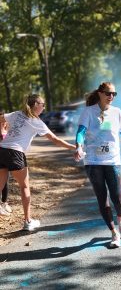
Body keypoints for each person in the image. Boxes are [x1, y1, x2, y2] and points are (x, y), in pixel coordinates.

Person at [74, 82, 121, 248]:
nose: (111, 96)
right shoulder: (88, 111)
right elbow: (80, 131)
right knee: (103, 198)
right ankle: (114, 233)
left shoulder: (117, 112)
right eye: (108, 93)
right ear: (100, 93)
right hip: (93, 162)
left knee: (117, 197)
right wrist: (79, 146)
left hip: (113, 160)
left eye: (114, 94)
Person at [0, 94, 77, 230]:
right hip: (15, 152)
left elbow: (1, 118)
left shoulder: (16, 114)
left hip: (2, 149)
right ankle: (27, 222)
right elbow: (55, 140)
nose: (44, 107)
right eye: (43, 104)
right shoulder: (36, 121)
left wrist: (3, 130)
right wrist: (73, 147)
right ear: (36, 104)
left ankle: (24, 219)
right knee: (24, 187)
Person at [0, 113, 12, 216]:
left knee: (5, 182)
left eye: (5, 120)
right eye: (2, 120)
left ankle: (4, 203)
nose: (4, 122)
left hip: (6, 159)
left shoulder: (8, 131)